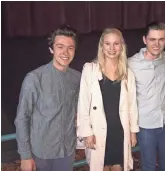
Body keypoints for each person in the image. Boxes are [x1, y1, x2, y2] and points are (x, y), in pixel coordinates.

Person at [14, 25, 81, 171]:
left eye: (70, 48)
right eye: (60, 47)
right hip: (41, 154)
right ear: (51, 49)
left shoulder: (77, 78)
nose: (65, 52)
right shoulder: (34, 78)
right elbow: (22, 118)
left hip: (67, 152)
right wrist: (25, 156)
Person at [77, 28, 139, 171]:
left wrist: (133, 132)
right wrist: (86, 132)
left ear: (121, 46)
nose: (112, 48)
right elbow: (83, 103)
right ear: (101, 46)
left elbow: (132, 106)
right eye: (107, 44)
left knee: (119, 167)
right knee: (101, 167)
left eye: (116, 44)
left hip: (119, 132)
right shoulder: (90, 69)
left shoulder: (128, 73)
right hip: (98, 132)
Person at [128, 22, 165, 171]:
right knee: (148, 166)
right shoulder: (131, 63)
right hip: (146, 125)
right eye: (152, 39)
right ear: (144, 40)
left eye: (161, 39)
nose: (157, 44)